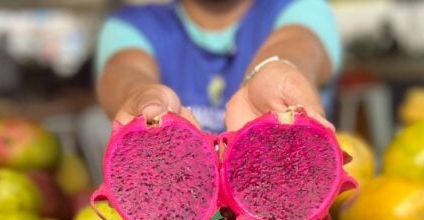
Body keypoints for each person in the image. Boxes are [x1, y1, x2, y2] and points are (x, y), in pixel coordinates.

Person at [95, 0, 341, 134]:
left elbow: (299, 43)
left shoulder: (303, 6)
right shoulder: (131, 25)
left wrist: (274, 69)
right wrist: (140, 98)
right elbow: (124, 71)